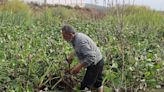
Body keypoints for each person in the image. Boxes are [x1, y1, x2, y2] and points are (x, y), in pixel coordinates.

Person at [61, 24, 104, 92]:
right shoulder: (76, 37)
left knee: (85, 87)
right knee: (97, 83)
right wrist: (71, 55)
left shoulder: (80, 41)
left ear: (70, 34)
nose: (63, 37)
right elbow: (78, 49)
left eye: (64, 35)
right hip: (99, 60)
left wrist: (79, 67)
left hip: (95, 63)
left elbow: (91, 57)